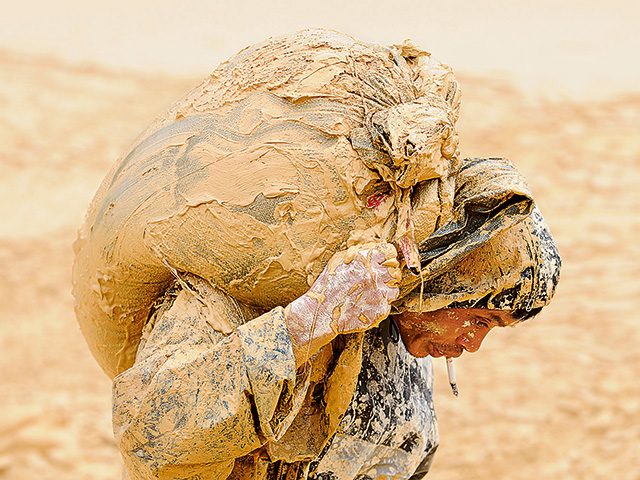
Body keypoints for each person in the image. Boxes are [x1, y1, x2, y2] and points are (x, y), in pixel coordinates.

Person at [110, 155, 561, 480]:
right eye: (478, 319)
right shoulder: (236, 295)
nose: (472, 344)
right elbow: (152, 437)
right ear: (445, 281)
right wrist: (308, 322)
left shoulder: (403, 347)